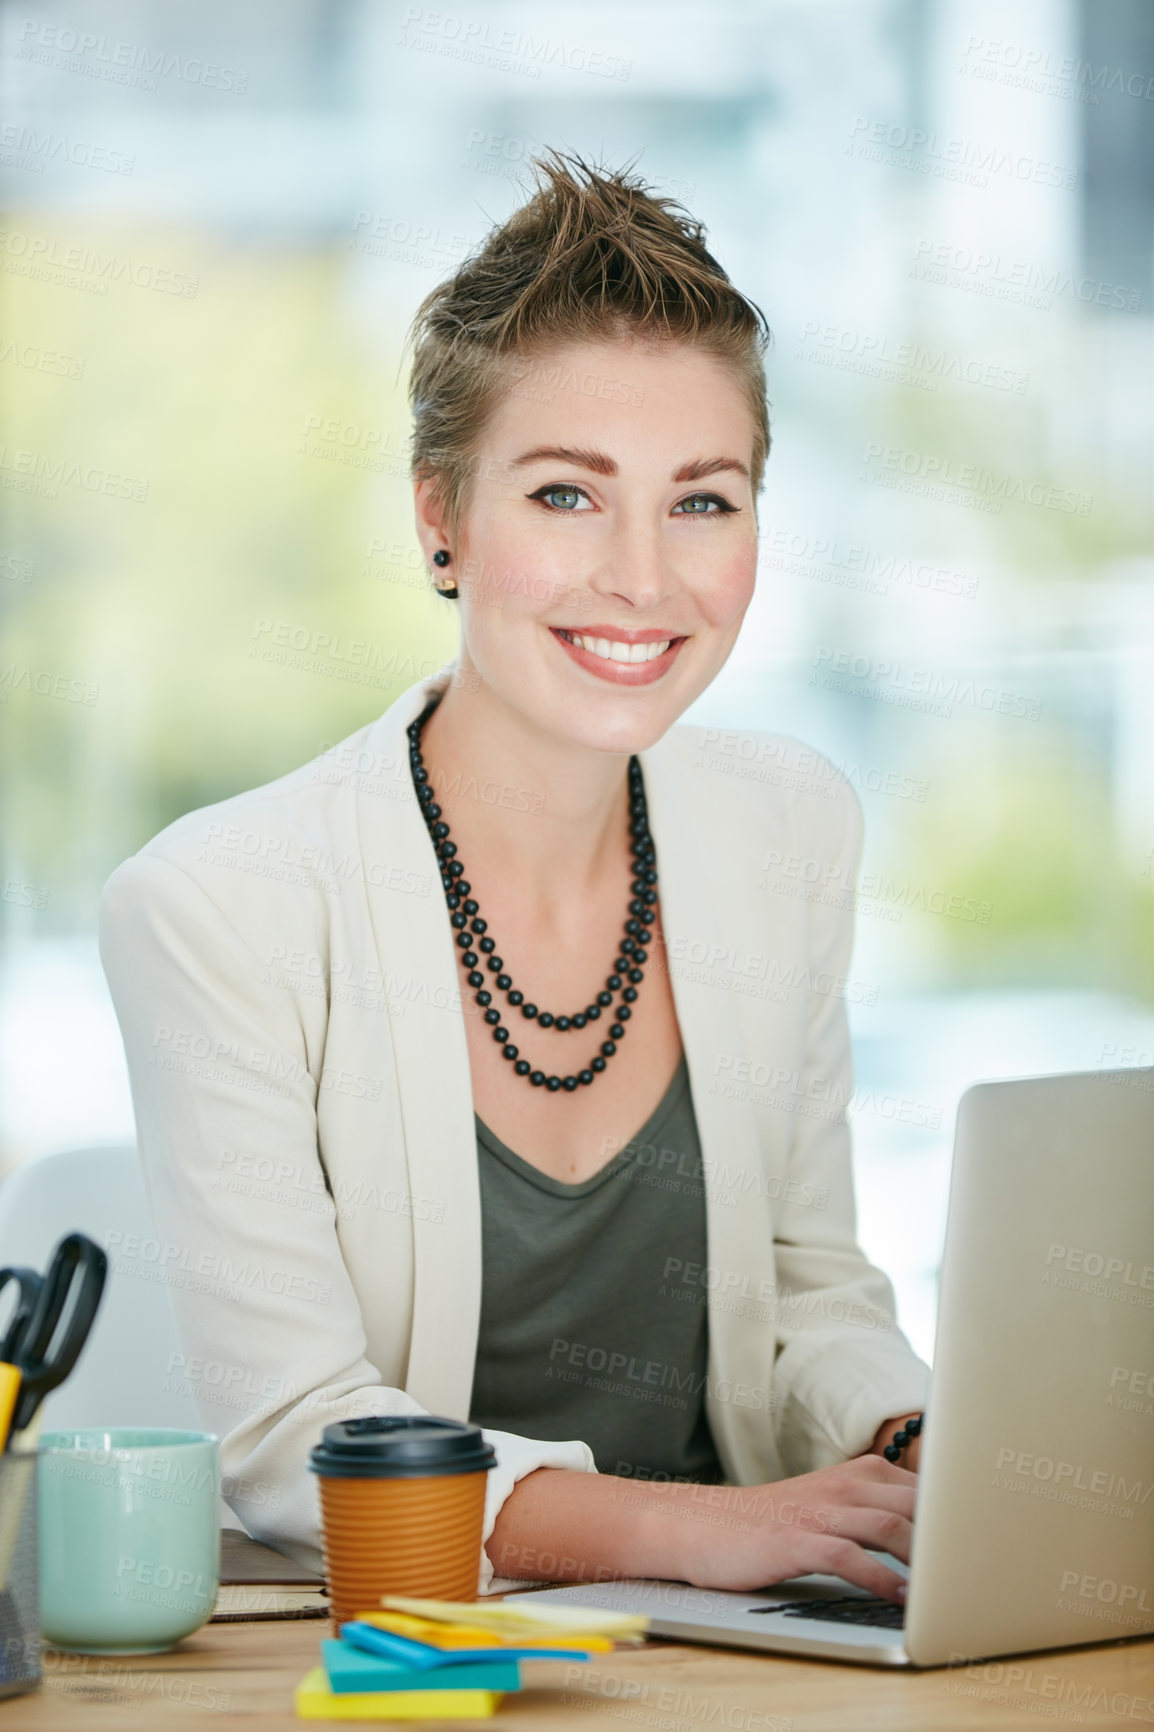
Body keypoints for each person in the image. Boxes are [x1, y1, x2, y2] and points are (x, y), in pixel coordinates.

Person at [99, 148, 929, 1604]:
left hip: (752, 1652)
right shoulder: (221, 904)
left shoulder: (788, 830)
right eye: (563, 495)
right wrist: (713, 1530)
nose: (642, 578)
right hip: (401, 1655)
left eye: (701, 501)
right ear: (440, 517)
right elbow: (301, 1438)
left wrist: (912, 1442)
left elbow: (808, 1293)